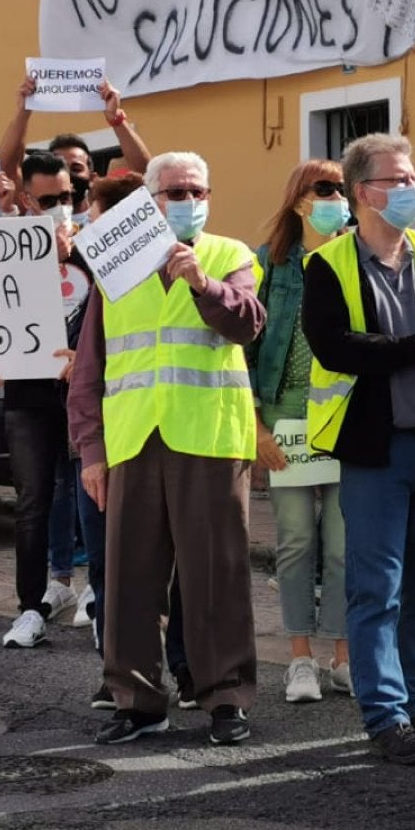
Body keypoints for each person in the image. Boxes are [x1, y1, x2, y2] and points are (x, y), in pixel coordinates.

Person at [69, 152, 264, 747]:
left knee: (216, 575)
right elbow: (89, 369)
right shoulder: (114, 268)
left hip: (208, 436)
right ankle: (136, 700)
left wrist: (202, 283)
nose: (187, 202)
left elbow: (249, 323)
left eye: (197, 191)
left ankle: (225, 697)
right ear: (149, 203)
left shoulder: (231, 255)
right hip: (133, 440)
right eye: (175, 192)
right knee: (128, 578)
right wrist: (91, 450)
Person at [304, 132, 415, 766]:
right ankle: (385, 716)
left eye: (412, 178)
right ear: (362, 193)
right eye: (395, 180)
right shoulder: (327, 265)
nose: (409, 189)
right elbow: (334, 347)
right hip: (376, 450)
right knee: (377, 587)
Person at [248, 159, 352, 705]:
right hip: (287, 418)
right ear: (299, 200)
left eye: (341, 188)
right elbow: (244, 348)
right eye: (324, 188)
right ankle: (300, 660)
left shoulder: (357, 258)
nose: (336, 197)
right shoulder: (269, 263)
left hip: (344, 422)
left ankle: (341, 658)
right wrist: (257, 425)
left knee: (342, 547)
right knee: (294, 543)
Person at [0, 153, 80, 651]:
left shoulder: (95, 246)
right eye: (51, 199)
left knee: (94, 499)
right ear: (27, 199)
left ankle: (99, 599)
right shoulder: (5, 251)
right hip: (28, 396)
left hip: (85, 394)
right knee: (33, 501)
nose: (63, 207)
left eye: (69, 197)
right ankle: (30, 608)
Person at [73, 171, 141, 709]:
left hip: (155, 445)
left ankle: (182, 670)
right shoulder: (97, 281)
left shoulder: (189, 269)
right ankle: (116, 676)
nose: (82, 225)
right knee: (106, 567)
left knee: (161, 573)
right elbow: (89, 375)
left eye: (91, 215)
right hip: (105, 444)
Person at [0, 76, 151, 222]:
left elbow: (147, 176)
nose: (68, 176)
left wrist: (116, 119)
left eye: (75, 168)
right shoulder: (33, 215)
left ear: (93, 178)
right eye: (61, 168)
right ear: (26, 199)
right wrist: (23, 112)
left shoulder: (107, 216)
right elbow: (9, 166)